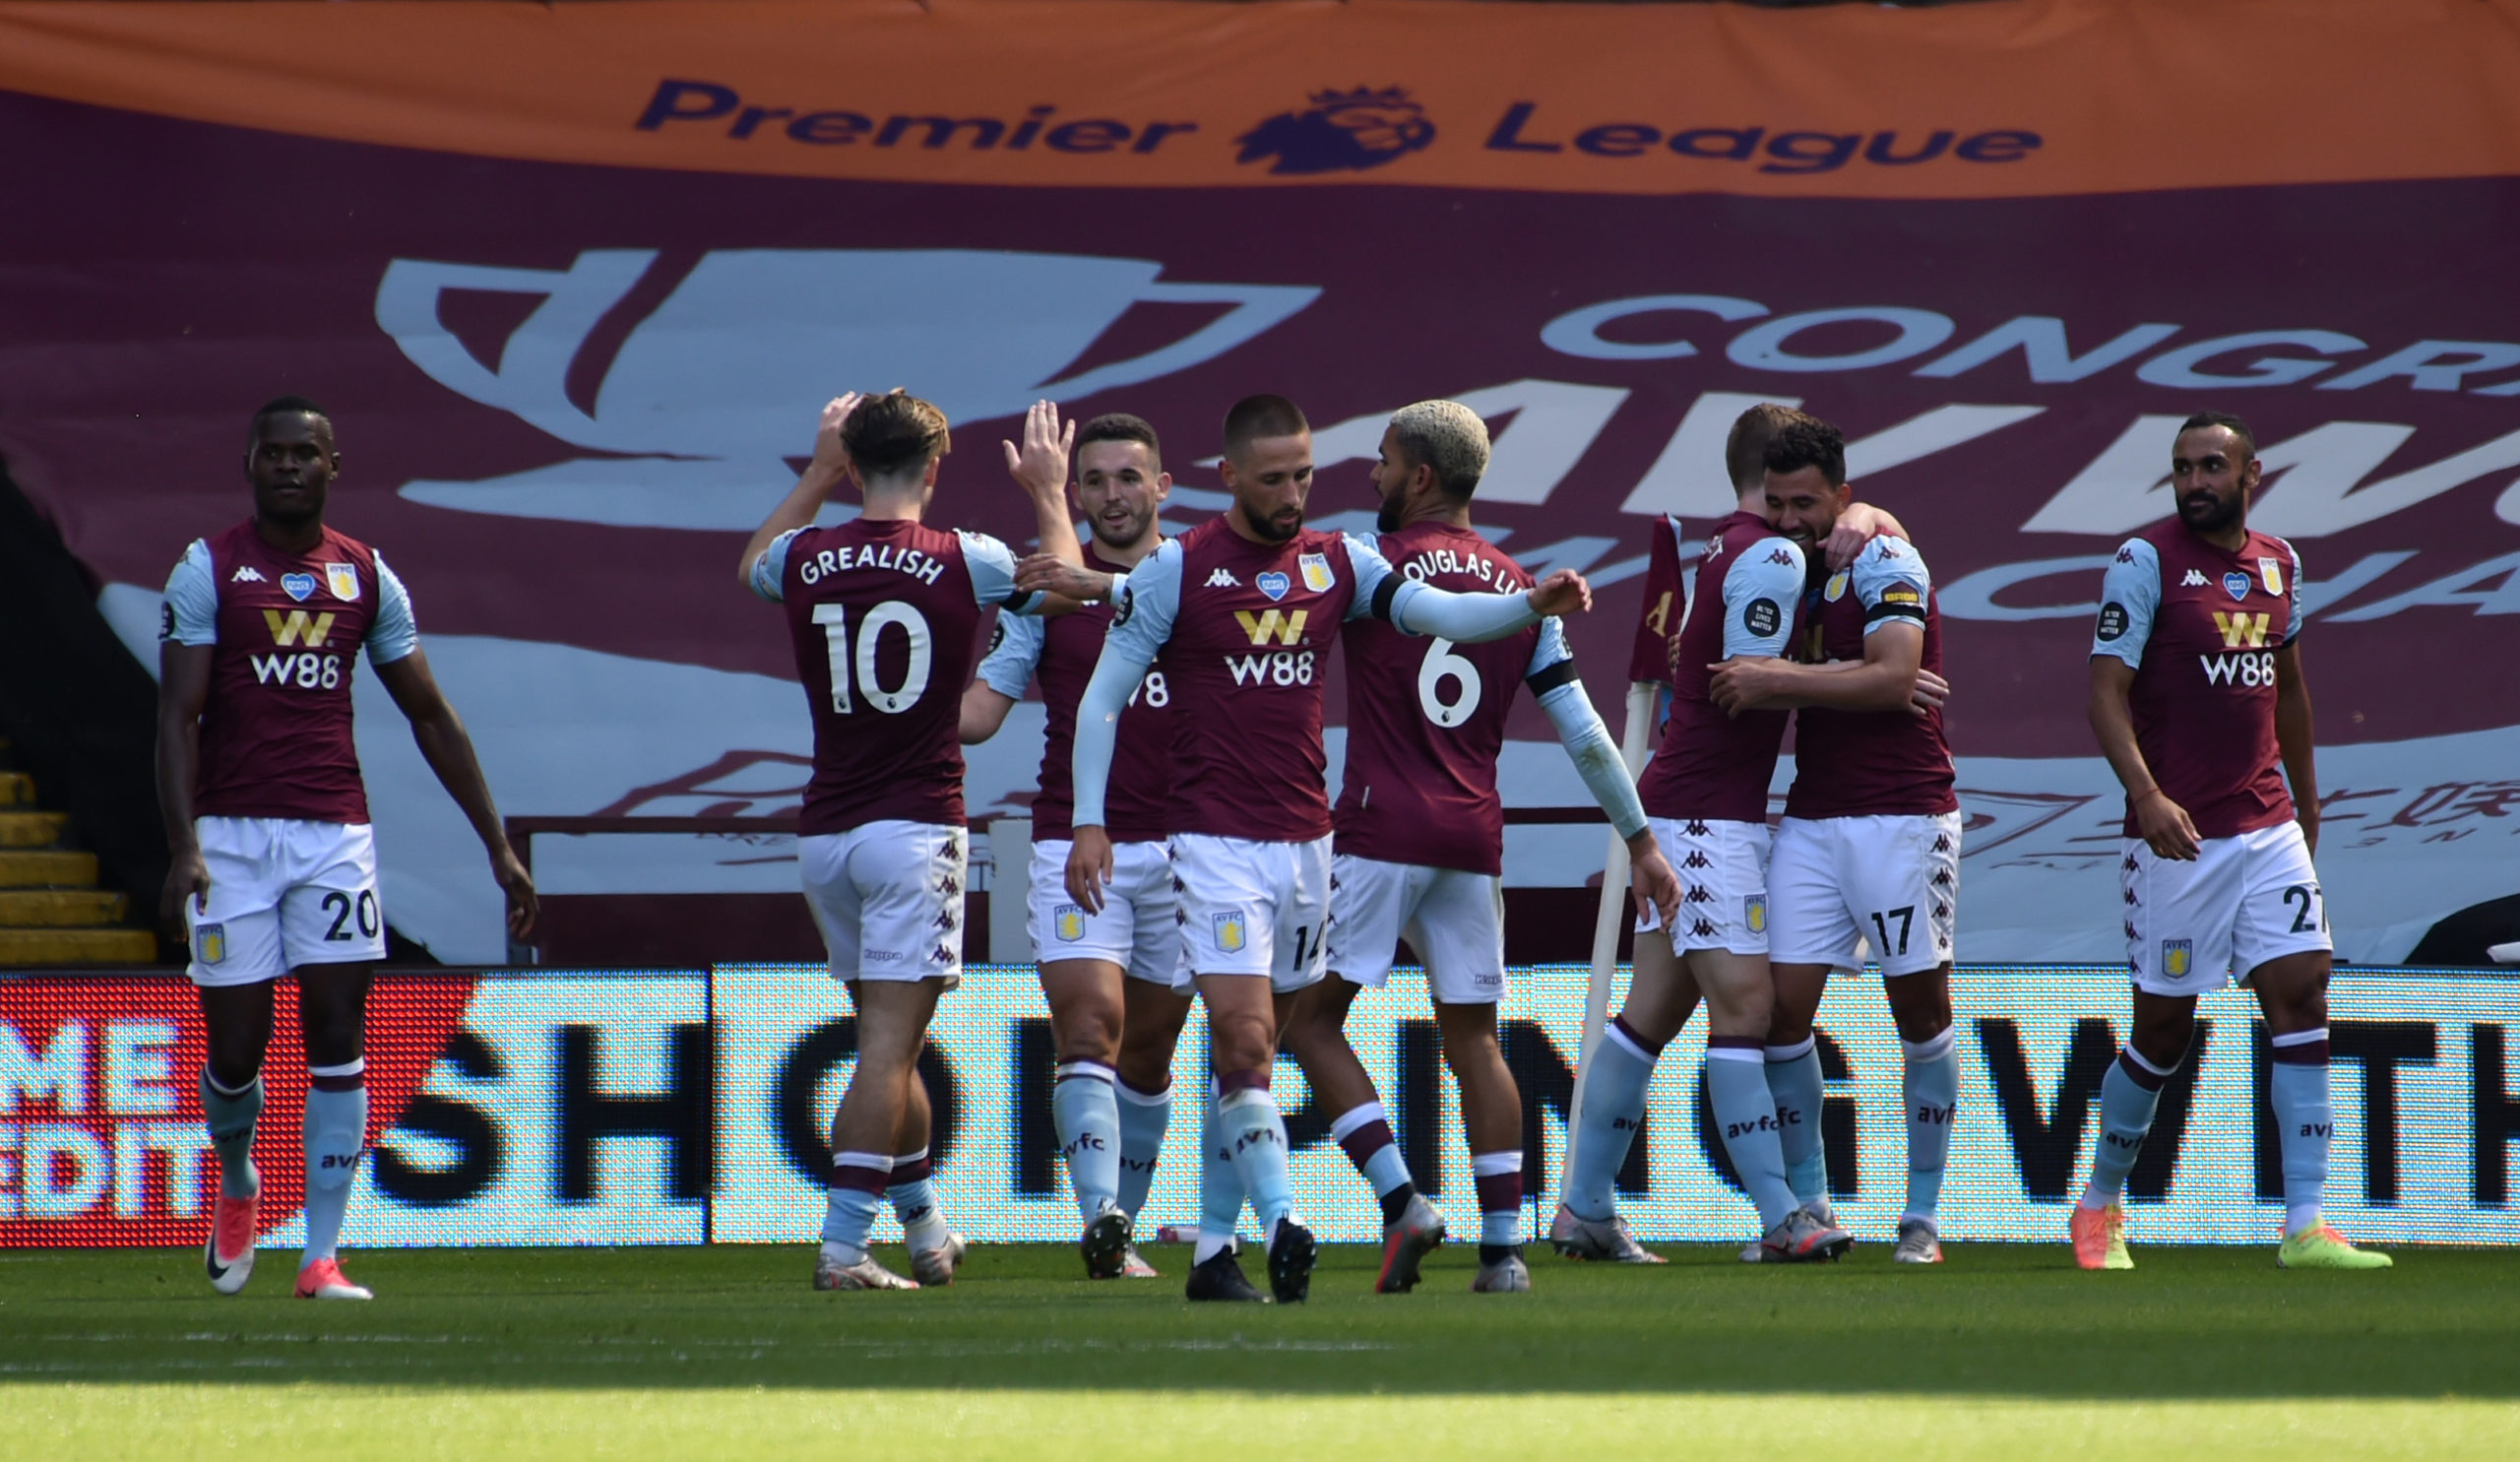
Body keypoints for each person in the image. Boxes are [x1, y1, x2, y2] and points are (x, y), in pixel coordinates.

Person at [1042, 394, 1595, 1303]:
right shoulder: (1181, 568)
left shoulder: (1340, 560)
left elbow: (1445, 617)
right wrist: (1092, 819)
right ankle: (1285, 1218)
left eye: (1303, 474)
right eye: (1273, 479)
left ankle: (1215, 1254)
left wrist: (1529, 603)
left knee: (1254, 1050)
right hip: (1212, 839)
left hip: (1307, 848)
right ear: (1227, 479)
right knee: (1248, 1035)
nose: (1294, 494)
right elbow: (1102, 700)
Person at [1275, 400, 1681, 1297]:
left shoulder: (1365, 563)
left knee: (1303, 1021)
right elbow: (1583, 734)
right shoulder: (1520, 586)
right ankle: (1504, 1250)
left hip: (1380, 829)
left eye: (1382, 462)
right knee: (1478, 1042)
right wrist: (1641, 841)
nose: (1372, 477)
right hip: (1472, 838)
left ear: (1420, 475)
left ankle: (1401, 1198)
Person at [159, 395, 537, 1303]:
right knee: (238, 1052)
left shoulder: (367, 576)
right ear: (250, 465)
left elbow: (432, 716)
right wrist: (183, 846)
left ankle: (320, 1255)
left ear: (335, 467)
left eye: (306, 454)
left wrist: (498, 844)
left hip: (335, 836)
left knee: (337, 1034)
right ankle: (241, 1178)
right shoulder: (208, 570)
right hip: (233, 839)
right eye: (273, 453)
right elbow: (176, 715)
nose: (289, 467)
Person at [739, 391, 1088, 1292]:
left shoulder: (806, 555)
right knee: (891, 1048)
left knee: (884, 1040)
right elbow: (1071, 584)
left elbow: (752, 566)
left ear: (854, 467)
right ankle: (844, 1248)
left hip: (826, 834)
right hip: (915, 827)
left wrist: (815, 473)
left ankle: (925, 1226)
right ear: (935, 469)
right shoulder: (964, 558)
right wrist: (1050, 489)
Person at [1554, 404, 1909, 1265]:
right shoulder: (1775, 555)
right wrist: (1858, 675)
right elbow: (1741, 686)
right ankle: (1783, 1213)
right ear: (1774, 478)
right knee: (1750, 1010)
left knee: (1647, 1015)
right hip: (1708, 817)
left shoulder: (1733, 541)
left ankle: (1583, 1208)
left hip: (1693, 806)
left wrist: (1867, 518)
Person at [2073, 411, 2387, 1271]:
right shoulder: (2144, 563)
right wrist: (2148, 795)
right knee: (2165, 1031)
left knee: (2303, 997)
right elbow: (2105, 693)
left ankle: (2306, 1224)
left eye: (2212, 465)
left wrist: (2306, 805)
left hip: (2266, 825)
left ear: (2253, 474)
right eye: (2182, 468)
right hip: (2176, 839)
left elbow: (2288, 689)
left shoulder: (2281, 564)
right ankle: (2100, 1205)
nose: (2195, 481)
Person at [1706, 415, 1961, 1265]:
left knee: (1919, 1014)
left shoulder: (1886, 557)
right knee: (1782, 1017)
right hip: (1813, 817)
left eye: (1807, 503)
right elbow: (1880, 680)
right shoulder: (1794, 569)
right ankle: (1810, 1203)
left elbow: (1896, 673)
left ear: (1842, 497)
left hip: (1904, 814)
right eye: (1775, 503)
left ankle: (1922, 1214)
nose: (1789, 520)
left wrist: (1784, 678)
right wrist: (1855, 682)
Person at [962, 413, 1193, 1281]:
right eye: (1091, 481)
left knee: (1151, 1051)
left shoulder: (1197, 578)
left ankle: (1123, 1218)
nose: (1112, 496)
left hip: (1187, 851)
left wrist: (1047, 496)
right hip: (1073, 843)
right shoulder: (1041, 596)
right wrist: (885, 709)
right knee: (1089, 1026)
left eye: (1127, 477)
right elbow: (980, 717)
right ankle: (1101, 1225)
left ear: (1161, 488)